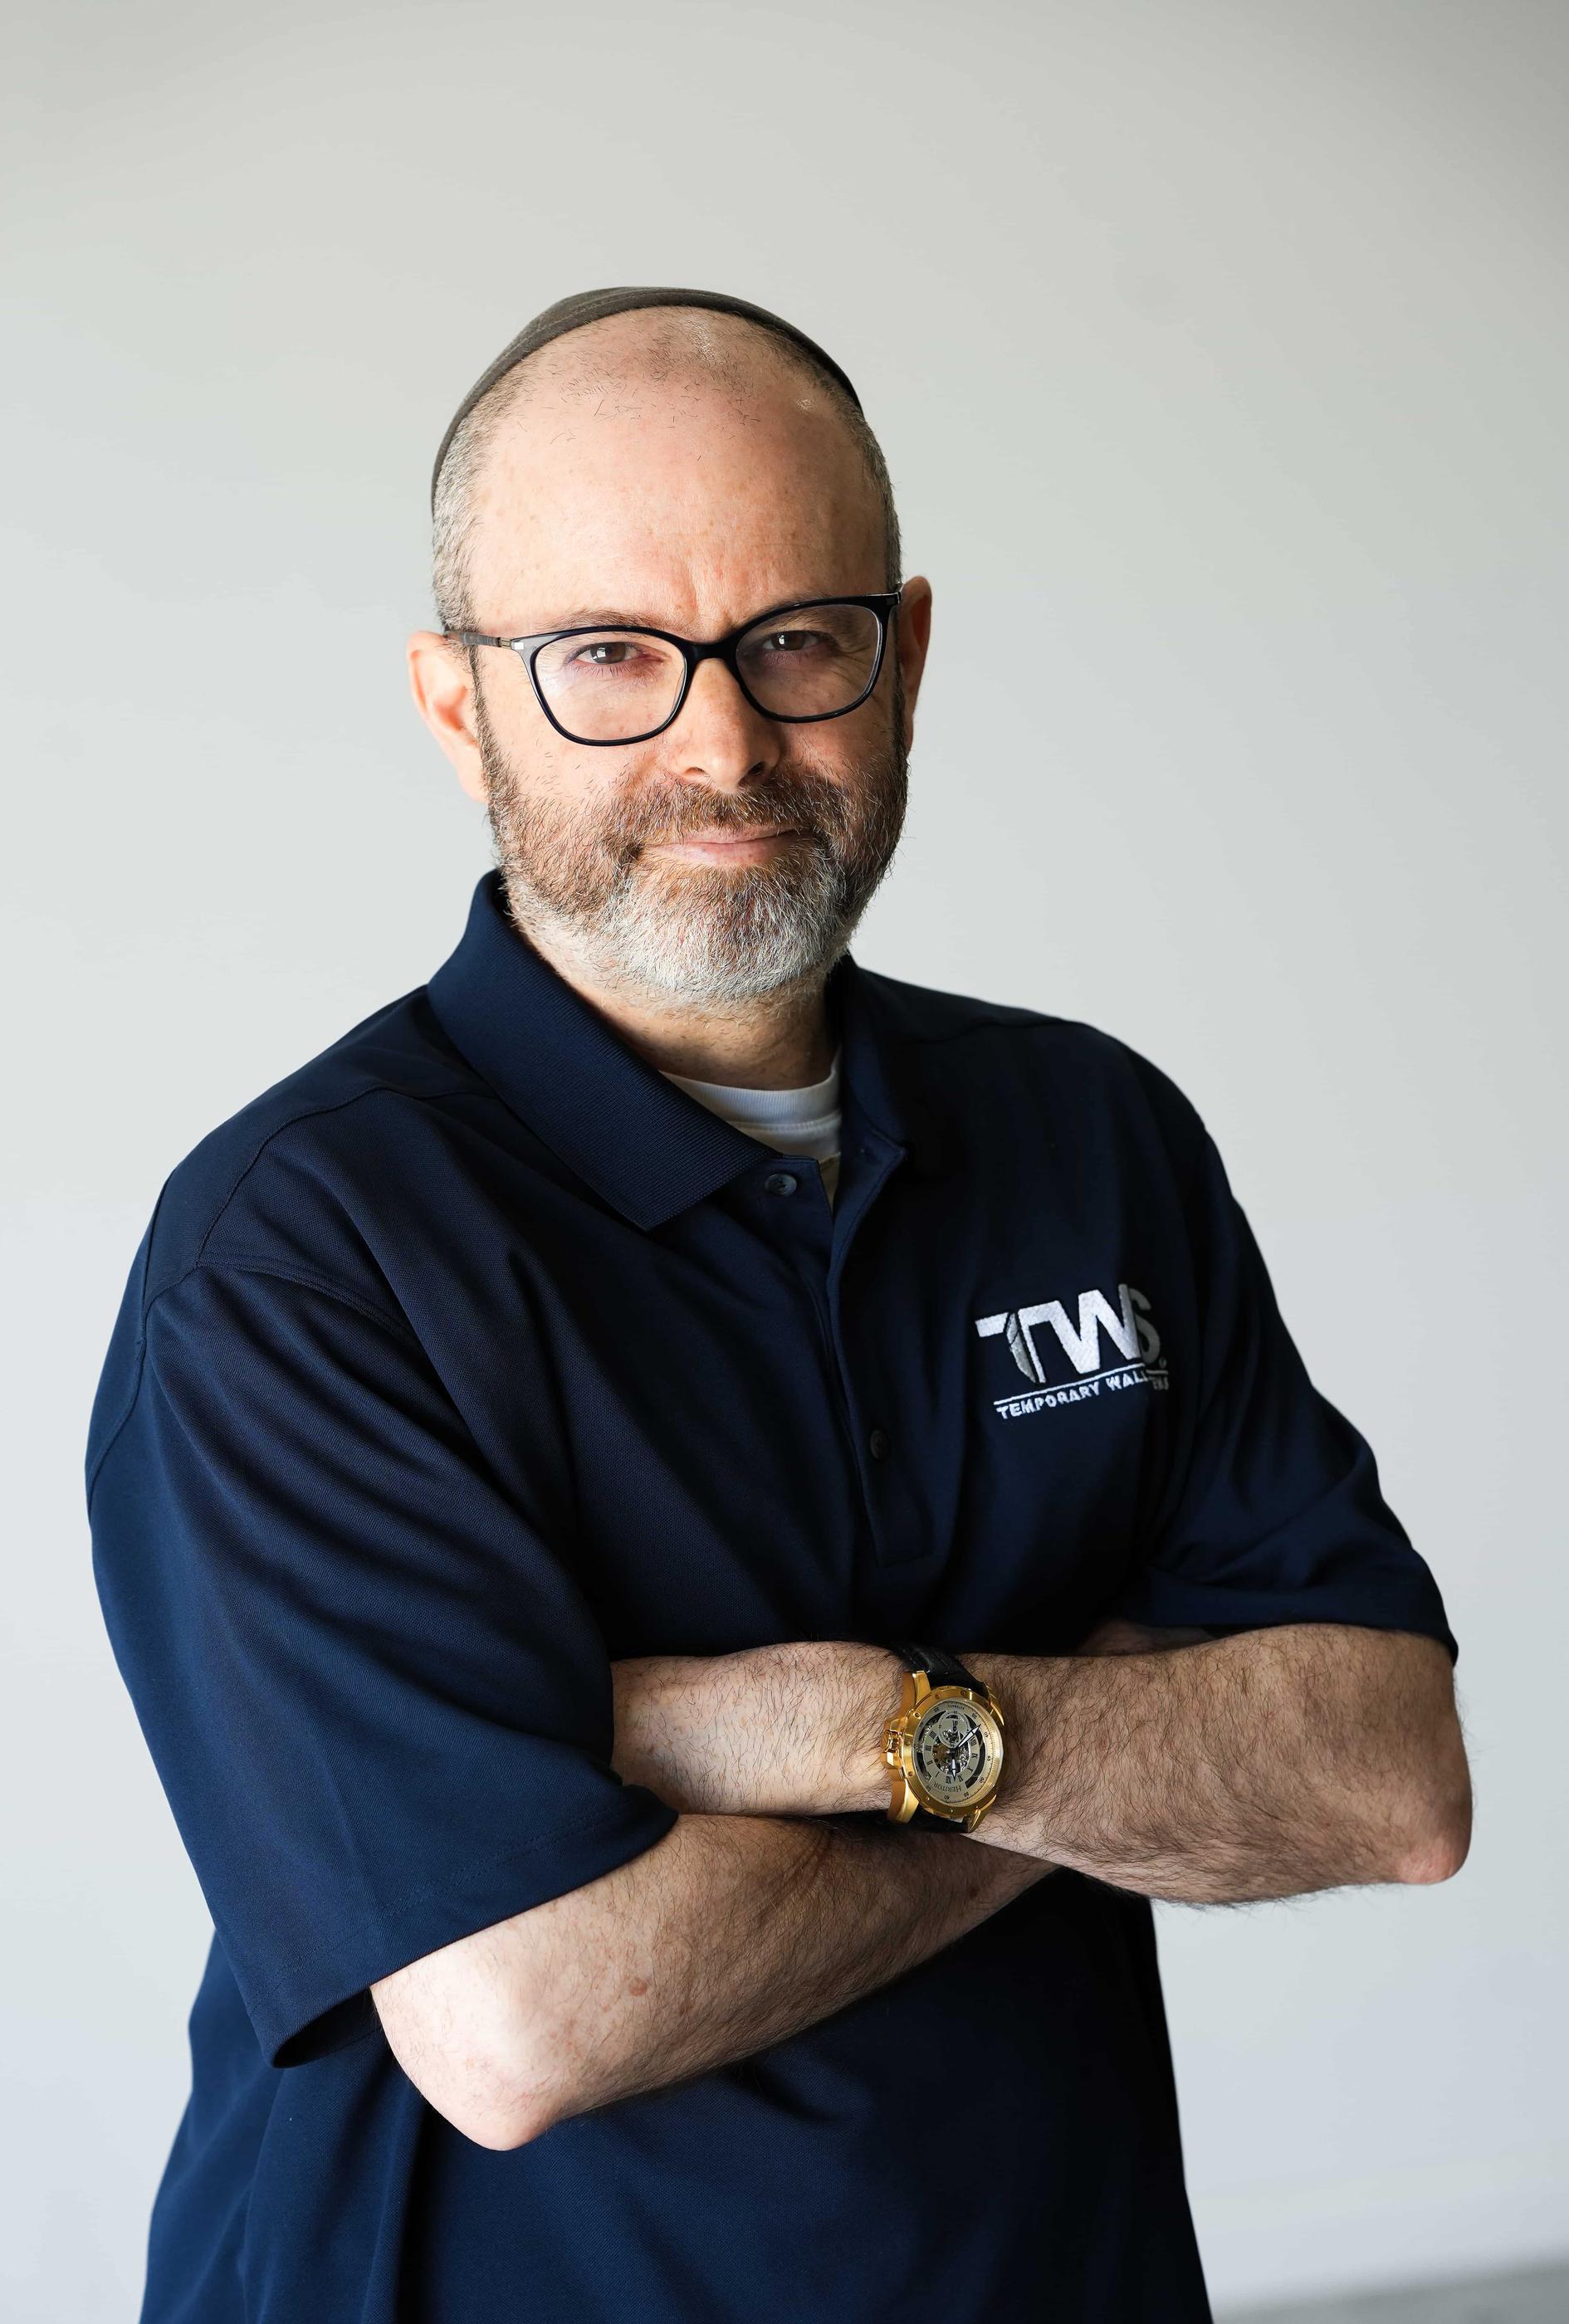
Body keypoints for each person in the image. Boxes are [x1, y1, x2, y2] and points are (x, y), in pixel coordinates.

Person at [86, 285, 1471, 2324]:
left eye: (797, 640)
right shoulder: (298, 1257)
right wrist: (1095, 1733)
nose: (723, 742)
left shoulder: (1091, 1135)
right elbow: (526, 2013)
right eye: (609, 657)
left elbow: (1393, 1774)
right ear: (458, 705)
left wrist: (846, 1726)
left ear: (907, 657)